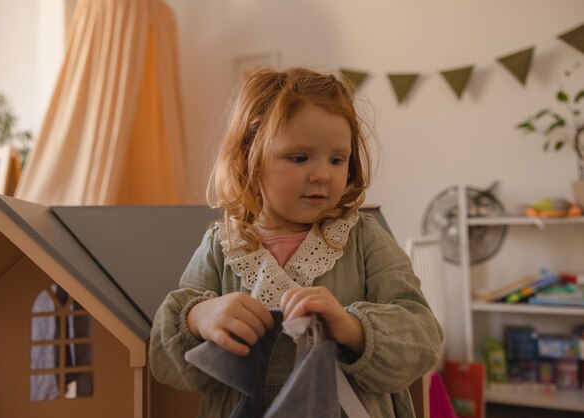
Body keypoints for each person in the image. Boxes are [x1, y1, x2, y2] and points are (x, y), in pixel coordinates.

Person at [149, 66, 443, 417]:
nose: (322, 174)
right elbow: (163, 361)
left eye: (337, 159)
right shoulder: (224, 244)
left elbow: (423, 337)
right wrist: (199, 318)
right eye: (299, 157)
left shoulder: (363, 237)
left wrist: (352, 329)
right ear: (250, 158)